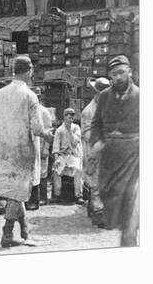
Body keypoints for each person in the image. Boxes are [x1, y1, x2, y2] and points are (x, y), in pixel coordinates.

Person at [0, 56, 53, 247]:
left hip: (2, 150)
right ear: (29, 71)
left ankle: (25, 230)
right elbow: (38, 129)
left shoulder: (0, 94)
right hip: (22, 151)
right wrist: (48, 135)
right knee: (18, 192)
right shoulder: (29, 95)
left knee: (15, 191)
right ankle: (7, 234)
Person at [90, 55, 139, 247]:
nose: (118, 77)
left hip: (134, 157)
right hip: (110, 158)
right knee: (108, 194)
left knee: (132, 201)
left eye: (121, 72)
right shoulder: (104, 96)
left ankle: (129, 241)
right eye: (114, 74)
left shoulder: (141, 96)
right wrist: (96, 142)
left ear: (130, 72)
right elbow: (96, 123)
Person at [80, 77, 111, 226]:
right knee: (96, 184)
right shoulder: (89, 111)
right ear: (96, 94)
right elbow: (86, 134)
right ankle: (99, 215)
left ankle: (95, 209)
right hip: (94, 152)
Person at [51, 108, 84, 205]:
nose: (70, 119)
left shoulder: (76, 128)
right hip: (63, 155)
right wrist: (56, 159)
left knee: (77, 170)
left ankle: (79, 195)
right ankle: (57, 194)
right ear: (64, 117)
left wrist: (70, 130)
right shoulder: (59, 130)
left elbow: (75, 142)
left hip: (74, 155)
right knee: (56, 170)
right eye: (68, 117)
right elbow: (56, 146)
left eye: (72, 117)